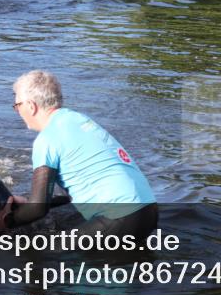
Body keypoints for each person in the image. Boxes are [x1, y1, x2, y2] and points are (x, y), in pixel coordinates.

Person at [8, 71, 157, 241]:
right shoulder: (79, 120)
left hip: (119, 216)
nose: (17, 111)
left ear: (31, 106)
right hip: (148, 210)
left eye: (17, 105)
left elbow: (37, 210)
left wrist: (5, 221)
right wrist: (29, 201)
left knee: (47, 254)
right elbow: (72, 193)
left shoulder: (47, 139)